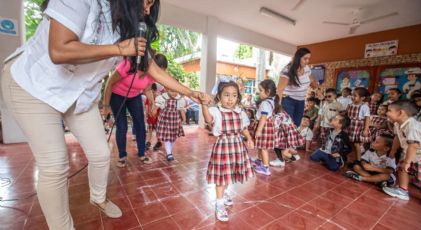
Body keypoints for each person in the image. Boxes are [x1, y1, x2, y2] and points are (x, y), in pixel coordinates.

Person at [0, 1, 207, 229]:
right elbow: (59, 50)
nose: (147, 11)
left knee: (100, 153)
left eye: (151, 5)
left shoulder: (127, 28)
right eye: (146, 2)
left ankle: (98, 198)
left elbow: (154, 70)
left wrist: (191, 92)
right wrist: (119, 49)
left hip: (79, 94)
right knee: (55, 165)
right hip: (34, 85)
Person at [200, 81, 254, 222]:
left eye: (234, 95)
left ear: (238, 97)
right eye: (226, 95)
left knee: (230, 172)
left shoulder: (240, 111)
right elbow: (207, 119)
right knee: (221, 175)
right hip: (223, 146)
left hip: (237, 146)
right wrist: (204, 104)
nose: (230, 99)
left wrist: (248, 138)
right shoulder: (216, 111)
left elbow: (244, 128)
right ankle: (219, 204)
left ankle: (223, 194)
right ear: (219, 96)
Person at [103, 54, 168, 167]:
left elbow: (147, 89)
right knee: (122, 126)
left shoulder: (153, 76)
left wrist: (152, 102)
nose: (161, 74)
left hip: (134, 96)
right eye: (161, 70)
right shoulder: (128, 65)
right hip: (117, 95)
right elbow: (109, 83)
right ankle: (122, 156)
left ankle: (142, 153)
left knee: (140, 124)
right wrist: (106, 106)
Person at [383, 100, 421, 200]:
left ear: (401, 113)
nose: (386, 113)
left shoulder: (412, 125)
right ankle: (403, 190)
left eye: (389, 110)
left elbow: (414, 145)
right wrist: (393, 151)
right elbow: (397, 137)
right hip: (409, 152)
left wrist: (407, 162)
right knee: (402, 169)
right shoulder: (398, 124)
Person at [277, 48, 318, 126]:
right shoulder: (287, 70)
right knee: (287, 124)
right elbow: (280, 90)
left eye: (309, 59)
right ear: (298, 58)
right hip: (288, 101)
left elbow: (312, 80)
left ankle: (293, 138)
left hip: (301, 101)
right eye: (305, 58)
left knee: (297, 124)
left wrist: (317, 90)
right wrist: (278, 106)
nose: (307, 61)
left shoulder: (307, 68)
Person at [253, 80, 279, 176]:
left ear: (267, 92)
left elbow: (263, 117)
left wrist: (259, 130)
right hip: (267, 126)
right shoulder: (271, 101)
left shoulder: (265, 103)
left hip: (264, 127)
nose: (259, 92)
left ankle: (265, 167)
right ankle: (259, 161)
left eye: (260, 90)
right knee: (261, 146)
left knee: (263, 148)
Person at [154, 88, 186, 161]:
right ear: (167, 90)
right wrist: (153, 111)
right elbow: (156, 107)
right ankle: (169, 153)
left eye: (176, 91)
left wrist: (184, 119)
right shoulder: (162, 97)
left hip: (175, 120)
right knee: (167, 135)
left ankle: (169, 151)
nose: (174, 93)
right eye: (172, 91)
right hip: (164, 119)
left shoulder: (180, 99)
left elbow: (182, 110)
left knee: (173, 136)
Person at [347, 87, 371, 161]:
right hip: (350, 126)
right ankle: (350, 159)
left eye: (355, 95)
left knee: (356, 144)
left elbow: (367, 118)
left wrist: (366, 130)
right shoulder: (350, 104)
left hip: (357, 127)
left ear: (362, 98)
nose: (352, 97)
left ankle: (358, 160)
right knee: (350, 143)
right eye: (352, 95)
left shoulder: (364, 106)